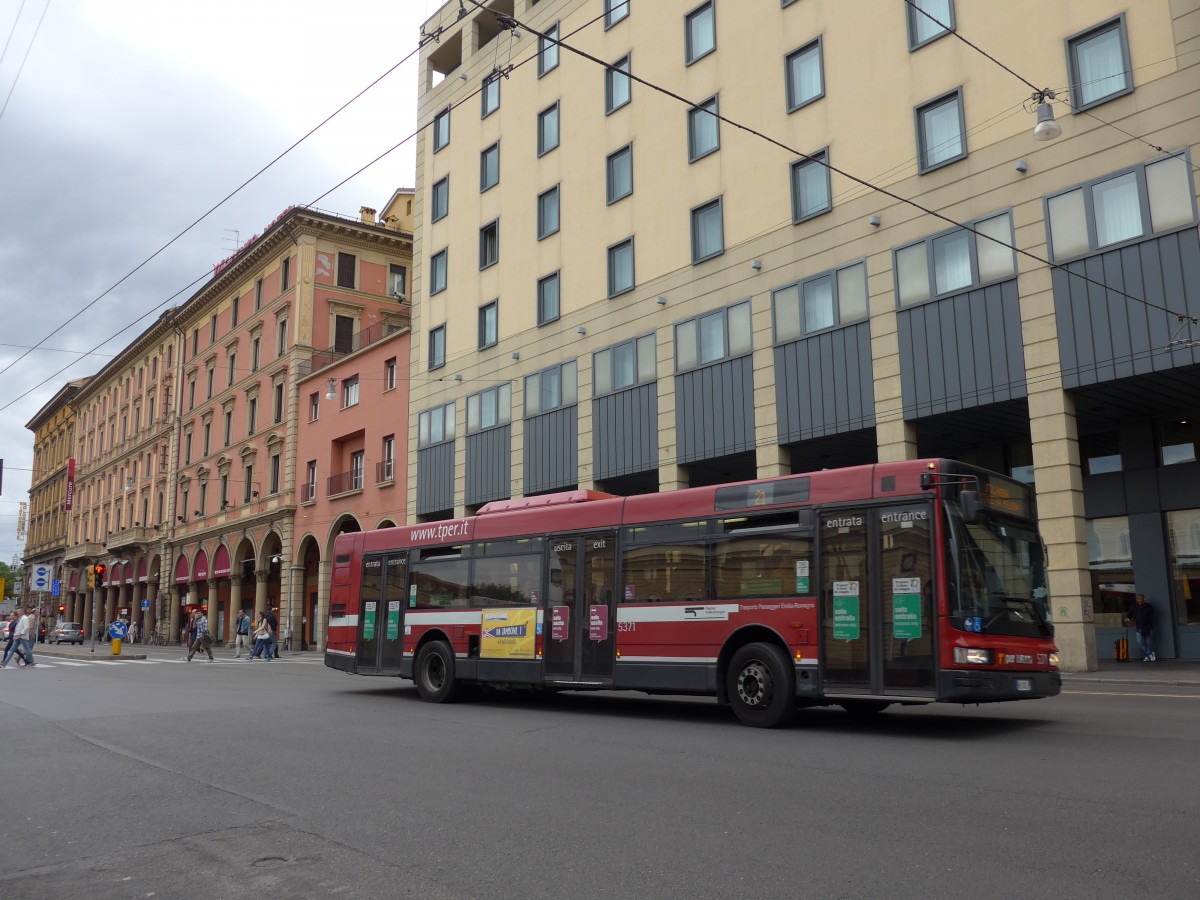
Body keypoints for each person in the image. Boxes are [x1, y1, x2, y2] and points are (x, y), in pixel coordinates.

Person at [1125, 593, 1155, 662]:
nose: (1140, 600)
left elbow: (1152, 611)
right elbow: (1129, 614)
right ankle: (1149, 654)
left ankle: (1146, 656)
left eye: (1141, 599)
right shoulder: (1134, 606)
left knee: (1148, 642)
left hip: (1147, 627)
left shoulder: (1148, 606)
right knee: (1140, 642)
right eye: (1138, 599)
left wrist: (1145, 604)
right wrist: (1127, 618)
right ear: (1137, 599)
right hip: (1139, 627)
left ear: (1144, 599)